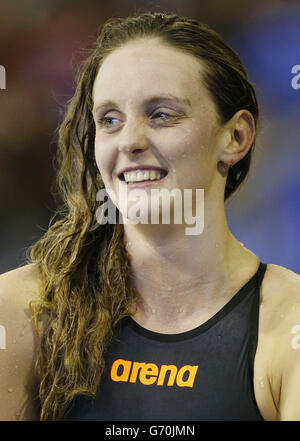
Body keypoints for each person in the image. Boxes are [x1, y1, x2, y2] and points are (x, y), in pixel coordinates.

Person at [0, 11, 299, 422]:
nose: (130, 141)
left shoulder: (288, 325)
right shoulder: (23, 312)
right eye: (109, 120)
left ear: (236, 137)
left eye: (161, 114)